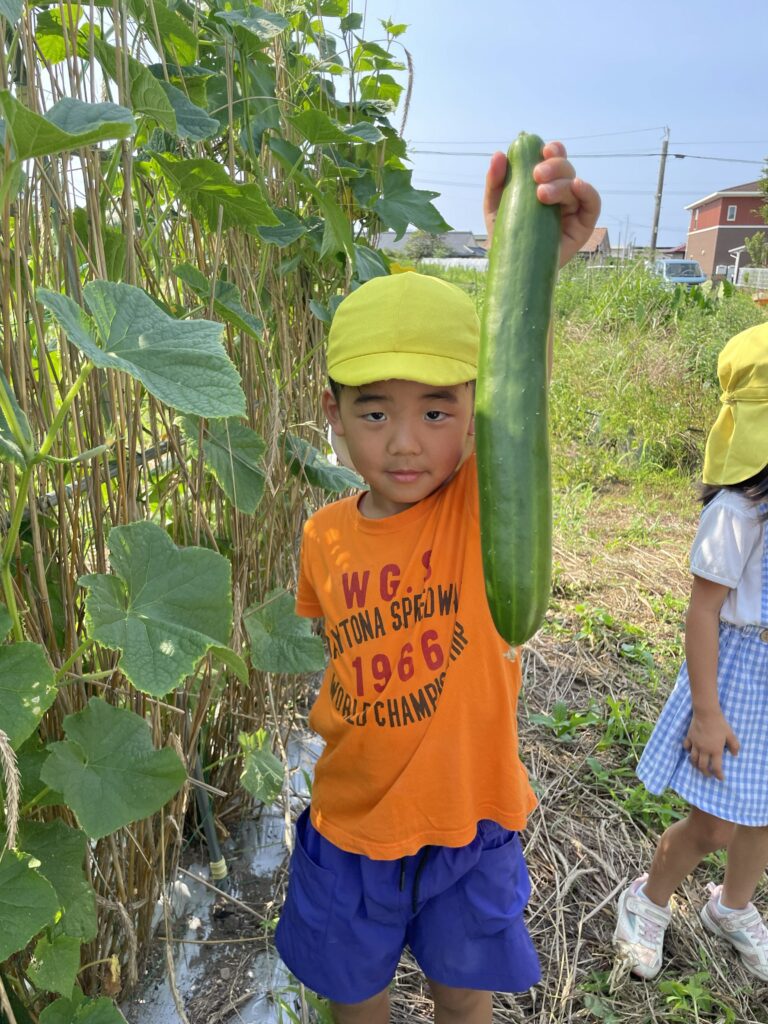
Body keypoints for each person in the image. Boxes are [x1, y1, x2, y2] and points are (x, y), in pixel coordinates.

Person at [274, 142, 600, 1024]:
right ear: (334, 413)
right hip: (351, 828)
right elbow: (339, 648)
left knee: (465, 1004)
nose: (406, 442)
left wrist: (535, 259)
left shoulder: (480, 508)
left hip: (470, 824)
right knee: (355, 1005)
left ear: (474, 415)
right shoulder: (323, 534)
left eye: (437, 410)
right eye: (375, 410)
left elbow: (521, 389)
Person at [614, 321, 768, 982]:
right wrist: (707, 711)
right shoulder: (737, 511)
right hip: (739, 680)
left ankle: (731, 907)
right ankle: (647, 900)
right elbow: (703, 612)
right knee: (713, 826)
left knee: (763, 817)